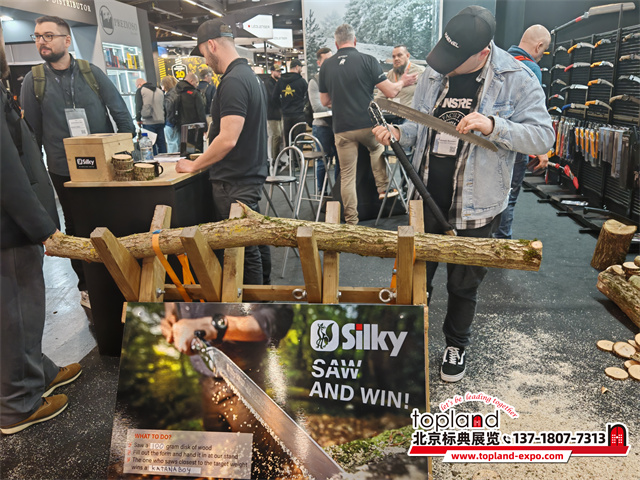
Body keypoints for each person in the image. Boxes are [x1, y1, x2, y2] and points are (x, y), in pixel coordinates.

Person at [373, 6, 554, 382]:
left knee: (463, 283)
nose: (446, 68)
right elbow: (420, 126)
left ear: (483, 53)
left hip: (477, 203)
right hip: (425, 196)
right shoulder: (435, 72)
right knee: (416, 276)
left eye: (456, 62)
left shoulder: (516, 78)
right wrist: (399, 133)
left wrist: (494, 125)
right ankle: (407, 342)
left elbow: (542, 137)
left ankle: (456, 344)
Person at [20, 15, 135, 309]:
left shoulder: (91, 73)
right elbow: (31, 136)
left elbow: (121, 114)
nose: (42, 42)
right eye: (37, 36)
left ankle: (120, 280)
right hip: (63, 169)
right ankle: (87, 285)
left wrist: (125, 154)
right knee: (75, 227)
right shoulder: (34, 81)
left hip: (103, 167)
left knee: (111, 221)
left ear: (67, 40)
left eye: (48, 36)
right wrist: (36, 179)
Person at [1, 24, 82, 435]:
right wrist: (41, 226)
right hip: (10, 227)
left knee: (27, 309)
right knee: (16, 312)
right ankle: (18, 403)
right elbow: (6, 171)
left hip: (16, 222)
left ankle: (38, 372)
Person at [176, 19, 271, 285]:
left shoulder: (233, 81)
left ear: (212, 45)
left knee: (243, 251)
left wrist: (195, 165)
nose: (205, 62)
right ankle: (265, 299)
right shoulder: (248, 77)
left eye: (204, 54)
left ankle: (253, 307)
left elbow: (228, 139)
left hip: (234, 180)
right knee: (254, 242)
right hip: (245, 175)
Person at [160, 302, 294, 478]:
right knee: (219, 451)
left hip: (244, 379)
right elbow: (171, 302)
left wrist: (210, 326)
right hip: (206, 379)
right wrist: (170, 314)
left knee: (258, 460)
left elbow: (279, 315)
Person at [319, 24, 417, 225]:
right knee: (376, 148)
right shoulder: (367, 60)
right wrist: (403, 82)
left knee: (347, 175)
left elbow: (324, 101)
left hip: (342, 128)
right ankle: (383, 187)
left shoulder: (326, 66)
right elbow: (391, 92)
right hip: (367, 124)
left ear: (336, 44)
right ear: (355, 41)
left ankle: (351, 221)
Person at [495, 24, 551, 239]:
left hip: (492, 139)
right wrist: (541, 149)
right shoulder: (531, 69)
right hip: (515, 143)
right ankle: (503, 245)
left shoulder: (498, 62)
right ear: (539, 46)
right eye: (544, 51)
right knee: (508, 197)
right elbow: (532, 114)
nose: (542, 56)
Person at [309, 48, 340, 193]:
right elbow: (317, 107)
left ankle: (339, 193)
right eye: (326, 60)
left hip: (338, 125)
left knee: (341, 160)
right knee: (323, 161)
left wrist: (329, 103)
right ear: (319, 63)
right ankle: (322, 193)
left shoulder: (338, 78)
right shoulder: (314, 81)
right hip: (322, 126)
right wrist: (336, 104)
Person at [272, 58, 308, 147]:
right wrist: (303, 106)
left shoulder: (281, 81)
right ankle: (298, 156)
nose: (301, 69)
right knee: (299, 142)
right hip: (299, 114)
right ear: (297, 67)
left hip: (286, 116)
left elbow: (274, 97)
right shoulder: (302, 81)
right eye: (301, 67)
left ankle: (290, 156)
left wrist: (282, 106)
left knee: (289, 142)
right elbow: (308, 96)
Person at [173, 72, 207, 152]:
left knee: (184, 151)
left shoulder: (175, 91)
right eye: (196, 82)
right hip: (195, 127)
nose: (197, 85)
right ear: (191, 81)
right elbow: (200, 111)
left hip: (180, 126)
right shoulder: (194, 93)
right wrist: (205, 127)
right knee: (195, 151)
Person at [135, 77, 167, 154]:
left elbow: (138, 106)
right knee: (161, 144)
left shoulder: (141, 90)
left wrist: (138, 119)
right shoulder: (159, 91)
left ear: (139, 85)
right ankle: (165, 159)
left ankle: (154, 160)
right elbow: (164, 106)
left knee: (150, 145)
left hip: (148, 122)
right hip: (160, 120)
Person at [263, 65, 283, 161]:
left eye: (280, 71)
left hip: (278, 113)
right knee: (276, 135)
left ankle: (277, 158)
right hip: (272, 113)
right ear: (272, 71)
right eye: (277, 71)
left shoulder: (277, 82)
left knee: (278, 136)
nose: (279, 73)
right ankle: (275, 160)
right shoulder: (268, 83)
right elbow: (273, 98)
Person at [160, 75, 180, 152]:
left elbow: (167, 111)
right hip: (178, 122)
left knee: (171, 144)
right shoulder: (178, 93)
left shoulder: (168, 96)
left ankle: (172, 159)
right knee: (178, 144)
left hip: (170, 123)